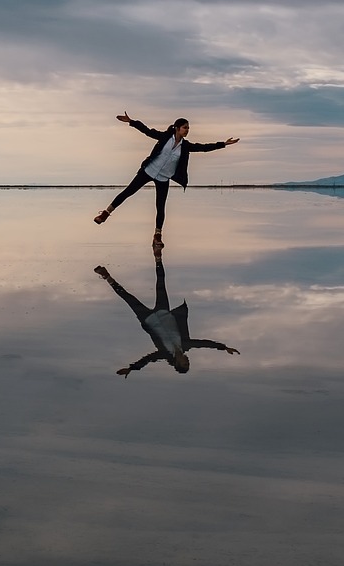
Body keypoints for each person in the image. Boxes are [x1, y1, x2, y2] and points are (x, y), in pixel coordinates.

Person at [94, 112, 239, 250]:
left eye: (188, 128)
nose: (187, 130)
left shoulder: (185, 146)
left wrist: (223, 144)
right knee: (128, 192)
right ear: (177, 128)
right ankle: (105, 214)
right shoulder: (165, 138)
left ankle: (157, 236)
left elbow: (203, 148)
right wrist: (131, 122)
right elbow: (147, 131)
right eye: (185, 127)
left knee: (160, 207)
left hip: (163, 177)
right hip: (149, 170)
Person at [94, 260, 239, 376]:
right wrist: (223, 347)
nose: (187, 361)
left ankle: (107, 276)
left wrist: (132, 368)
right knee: (161, 283)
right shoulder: (186, 344)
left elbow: (148, 359)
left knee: (128, 298)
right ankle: (158, 257)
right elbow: (203, 343)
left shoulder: (163, 353)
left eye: (184, 364)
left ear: (176, 363)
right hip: (164, 312)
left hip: (149, 319)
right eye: (188, 363)